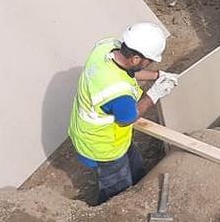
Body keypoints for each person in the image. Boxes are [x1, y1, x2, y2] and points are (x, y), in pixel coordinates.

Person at [68, 22, 179, 203]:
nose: (149, 64)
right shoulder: (118, 93)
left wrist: (157, 75)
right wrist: (154, 94)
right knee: (117, 189)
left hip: (109, 137)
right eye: (149, 61)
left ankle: (139, 186)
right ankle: (114, 208)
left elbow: (128, 72)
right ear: (135, 59)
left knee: (136, 168)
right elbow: (129, 117)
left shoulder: (106, 48)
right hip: (103, 146)